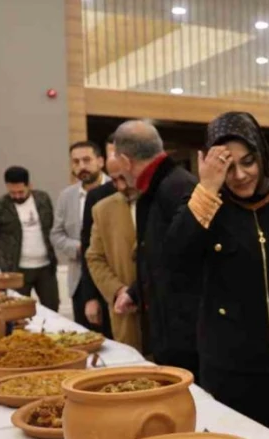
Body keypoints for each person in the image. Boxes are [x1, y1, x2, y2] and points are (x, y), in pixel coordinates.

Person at [168, 112, 269, 439]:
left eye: (248, 162)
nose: (239, 176)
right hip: (231, 371)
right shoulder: (205, 207)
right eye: (227, 167)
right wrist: (207, 186)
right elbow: (175, 260)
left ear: (262, 155)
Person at [111, 120, 200, 373]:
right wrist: (136, 291)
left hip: (186, 334)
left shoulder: (176, 187)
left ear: (126, 161)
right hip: (170, 325)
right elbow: (159, 257)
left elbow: (187, 257)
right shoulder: (158, 187)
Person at [51, 140, 112, 333]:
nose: (81, 167)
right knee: (86, 337)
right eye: (76, 162)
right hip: (79, 280)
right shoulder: (66, 196)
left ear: (100, 161)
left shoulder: (116, 188)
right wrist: (79, 248)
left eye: (86, 160)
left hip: (111, 276)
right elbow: (56, 233)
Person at [0, 166, 59, 310]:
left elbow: (50, 225)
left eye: (21, 192)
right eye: (12, 192)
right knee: (17, 311)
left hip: (45, 267)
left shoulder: (43, 199)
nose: (17, 196)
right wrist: (8, 249)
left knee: (52, 307)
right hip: (15, 269)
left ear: (29, 185)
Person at [86, 159, 142, 352]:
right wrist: (118, 291)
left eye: (124, 178)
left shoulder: (161, 200)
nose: (120, 186)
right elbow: (95, 257)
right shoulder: (102, 209)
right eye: (114, 180)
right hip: (125, 313)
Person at [80, 134, 119, 339]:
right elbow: (90, 249)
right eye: (112, 153)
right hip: (107, 286)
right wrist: (91, 297)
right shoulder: (97, 196)